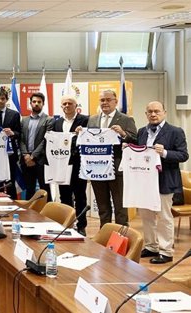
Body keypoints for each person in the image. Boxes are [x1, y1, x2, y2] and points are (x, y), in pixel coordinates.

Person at [136, 101, 188, 264]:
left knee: (164, 217)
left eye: (156, 111)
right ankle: (151, 246)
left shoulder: (175, 131)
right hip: (145, 181)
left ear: (164, 112)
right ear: (146, 114)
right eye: (150, 111)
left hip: (165, 181)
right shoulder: (141, 131)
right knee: (146, 216)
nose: (153, 114)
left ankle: (166, 251)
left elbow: (183, 155)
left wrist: (164, 153)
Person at [80, 89, 137, 227]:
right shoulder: (92, 119)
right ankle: (104, 236)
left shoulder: (126, 119)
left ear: (115, 101)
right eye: (102, 100)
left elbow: (136, 140)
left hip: (117, 169)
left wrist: (123, 133)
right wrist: (81, 133)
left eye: (108, 99)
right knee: (103, 207)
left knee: (120, 208)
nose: (105, 103)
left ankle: (122, 239)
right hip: (97, 169)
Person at [54, 95, 89, 235]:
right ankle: (68, 223)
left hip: (78, 164)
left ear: (76, 106)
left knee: (80, 195)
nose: (67, 106)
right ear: (61, 107)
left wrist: (83, 132)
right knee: (64, 195)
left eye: (70, 103)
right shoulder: (57, 122)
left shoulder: (85, 120)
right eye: (64, 104)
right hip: (61, 164)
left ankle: (81, 225)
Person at [19, 92, 53, 201]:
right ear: (30, 104)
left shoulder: (49, 119)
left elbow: (46, 140)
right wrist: (26, 155)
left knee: (45, 189)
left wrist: (33, 156)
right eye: (34, 102)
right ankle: (30, 215)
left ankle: (48, 214)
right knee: (29, 189)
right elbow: (21, 139)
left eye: (39, 102)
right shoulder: (24, 120)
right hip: (26, 160)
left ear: (43, 104)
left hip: (41, 160)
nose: (36, 104)